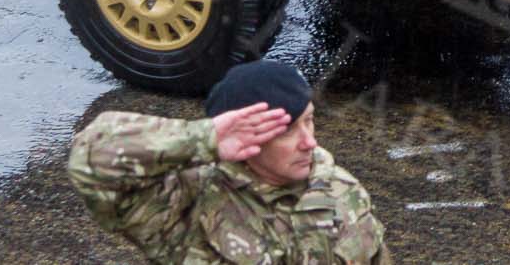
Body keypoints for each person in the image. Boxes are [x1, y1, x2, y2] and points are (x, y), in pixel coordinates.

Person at [68, 59, 389, 264]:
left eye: (309, 121)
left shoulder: (340, 187)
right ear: (247, 138)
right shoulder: (186, 200)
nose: (309, 142)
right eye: (288, 131)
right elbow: (91, 158)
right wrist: (203, 138)